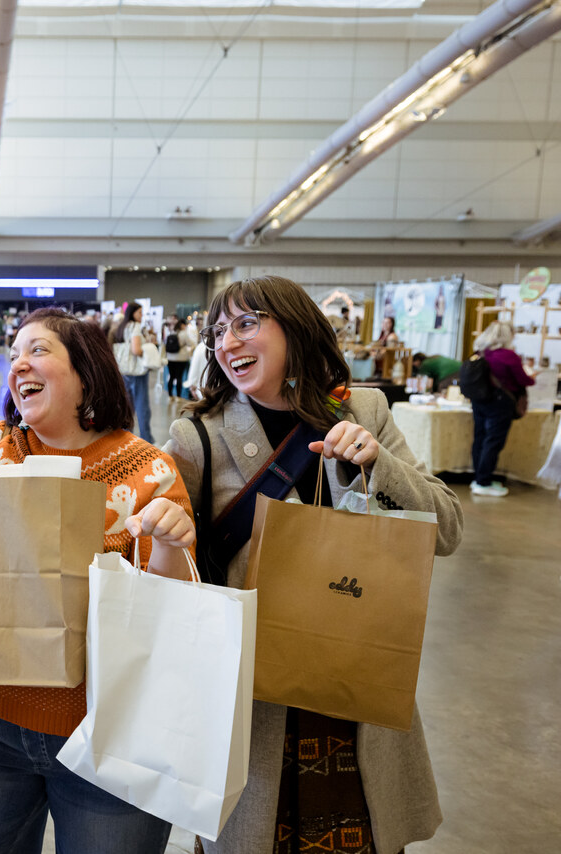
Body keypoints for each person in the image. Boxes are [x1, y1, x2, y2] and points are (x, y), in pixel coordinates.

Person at [164, 275, 463, 854]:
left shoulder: (364, 409)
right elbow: (171, 570)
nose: (228, 342)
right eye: (218, 331)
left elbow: (446, 530)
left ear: (294, 327)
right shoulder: (197, 435)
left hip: (355, 689)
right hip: (254, 701)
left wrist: (379, 468)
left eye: (247, 323)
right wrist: (166, 536)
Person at [0, 307, 194, 854]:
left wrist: (169, 542)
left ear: (86, 373)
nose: (19, 362)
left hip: (112, 734)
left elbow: (170, 610)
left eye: (39, 350)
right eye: (15, 351)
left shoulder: (149, 470)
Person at [468, 321, 534, 497]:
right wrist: (532, 377)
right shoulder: (508, 356)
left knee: (480, 439)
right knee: (494, 441)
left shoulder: (481, 352)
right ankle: (484, 481)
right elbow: (524, 380)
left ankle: (479, 479)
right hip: (499, 402)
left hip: (479, 400)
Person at [109, 302, 152, 442]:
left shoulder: (121, 327)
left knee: (128, 406)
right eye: (139, 312)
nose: (141, 315)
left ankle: (126, 436)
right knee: (142, 406)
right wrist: (146, 349)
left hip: (124, 371)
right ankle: (147, 438)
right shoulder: (135, 327)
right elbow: (136, 350)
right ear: (132, 313)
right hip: (137, 372)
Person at [165, 318, 191, 399]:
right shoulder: (184, 334)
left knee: (171, 376)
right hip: (181, 359)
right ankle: (178, 396)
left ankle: (170, 395)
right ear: (182, 325)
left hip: (170, 358)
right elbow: (191, 344)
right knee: (179, 377)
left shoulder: (172, 332)